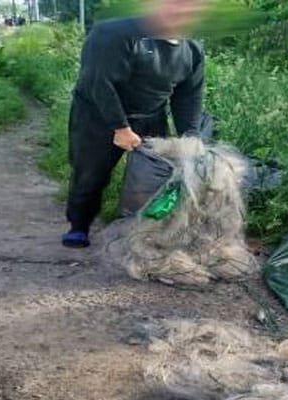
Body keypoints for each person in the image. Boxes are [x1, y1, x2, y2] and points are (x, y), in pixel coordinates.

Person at [62, 0, 207, 248]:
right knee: (90, 175)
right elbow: (98, 82)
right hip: (97, 114)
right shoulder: (113, 33)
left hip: (150, 115)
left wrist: (190, 137)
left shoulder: (192, 49)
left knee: (157, 175)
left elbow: (188, 96)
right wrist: (120, 128)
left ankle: (146, 229)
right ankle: (79, 225)